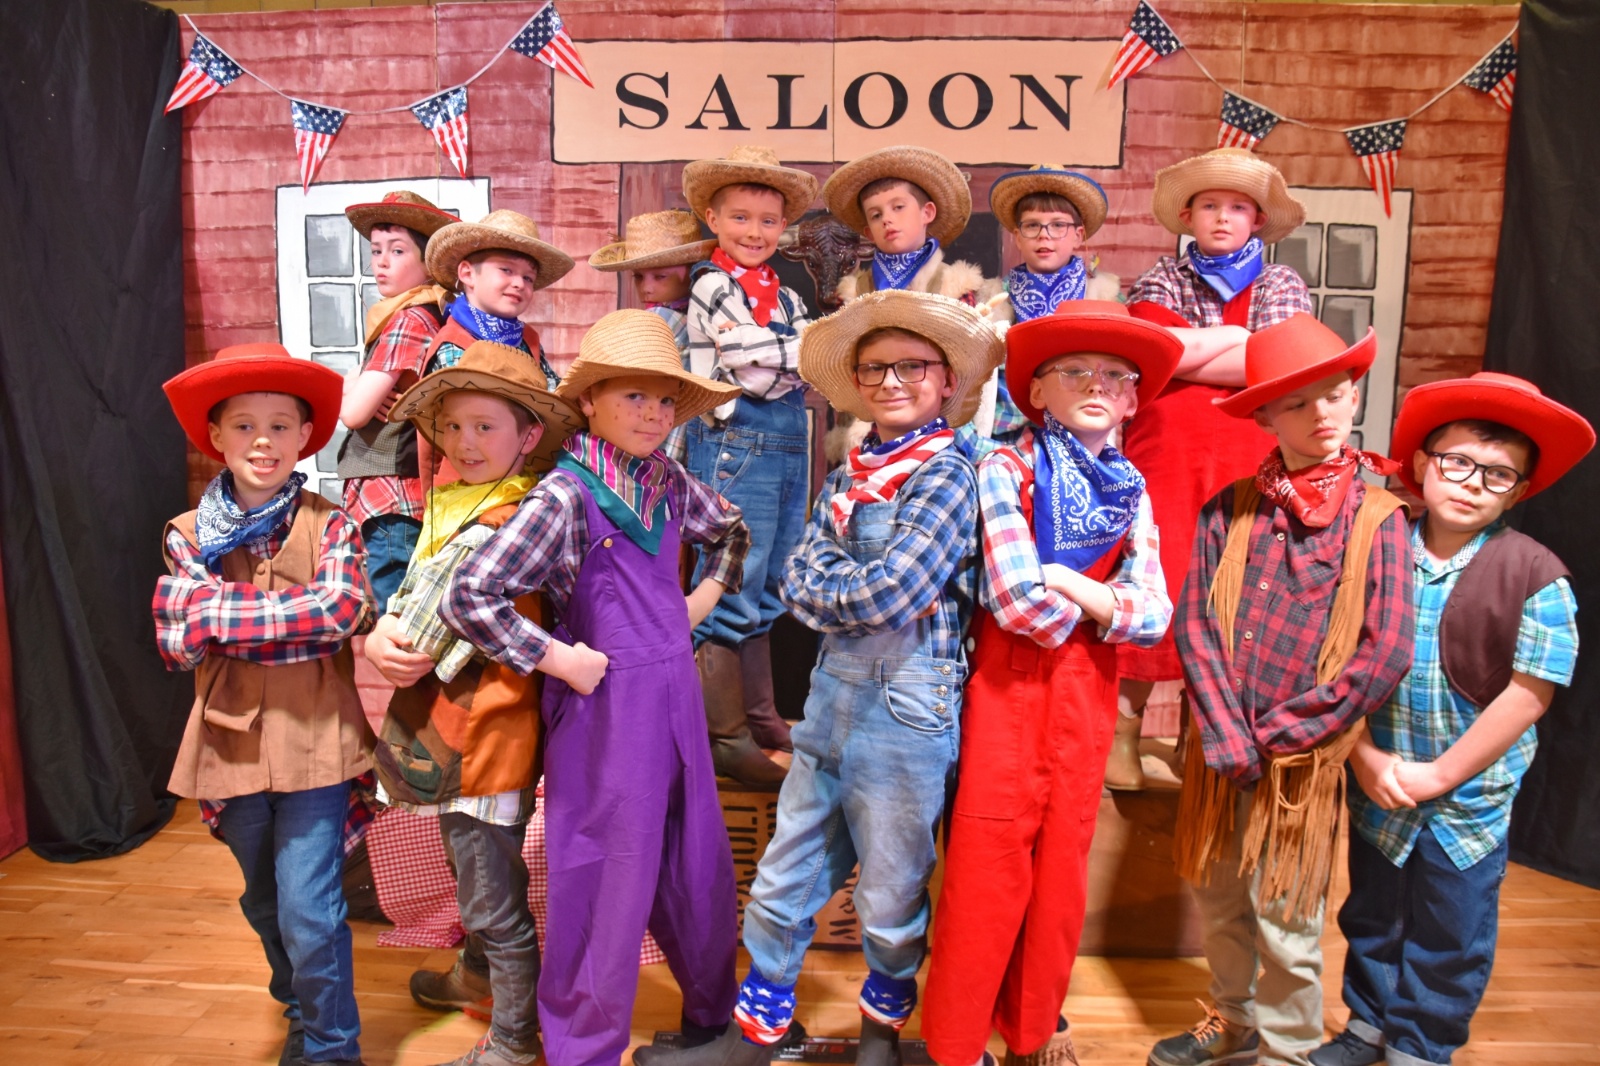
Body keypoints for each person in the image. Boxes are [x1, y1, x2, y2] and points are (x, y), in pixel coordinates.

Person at [632, 288, 998, 1066]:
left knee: (890, 893)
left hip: (909, 706)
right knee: (781, 880)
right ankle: (757, 1037)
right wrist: (837, 588)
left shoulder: (949, 475)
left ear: (945, 381)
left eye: (912, 366)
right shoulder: (848, 473)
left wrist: (831, 586)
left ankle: (878, 1041)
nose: (892, 381)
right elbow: (797, 580)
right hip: (832, 695)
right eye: (875, 368)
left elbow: (891, 594)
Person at [441, 310, 751, 1066]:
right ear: (588, 401)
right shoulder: (564, 497)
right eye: (633, 397)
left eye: (664, 400)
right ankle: (583, 1050)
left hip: (677, 702)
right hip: (607, 719)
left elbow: (730, 531)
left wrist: (696, 606)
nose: (653, 414)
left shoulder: (668, 481)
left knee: (696, 867)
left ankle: (712, 1022)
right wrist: (556, 659)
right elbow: (469, 595)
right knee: (603, 886)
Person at [1150, 314, 1415, 1066]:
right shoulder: (1229, 509)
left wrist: (1278, 736)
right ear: (1265, 415)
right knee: (1220, 898)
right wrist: (1226, 731)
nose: (1320, 414)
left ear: (1355, 397)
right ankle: (1234, 1020)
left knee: (1287, 921)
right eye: (1297, 403)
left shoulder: (1380, 520)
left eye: (1334, 395)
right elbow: (1195, 623)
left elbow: (1384, 651)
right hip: (1221, 755)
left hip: (1297, 765)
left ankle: (1288, 1050)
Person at [923, 301, 1180, 1066]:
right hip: (1009, 695)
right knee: (986, 873)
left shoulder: (1131, 487)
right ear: (1035, 390)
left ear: (1133, 400)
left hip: (1088, 697)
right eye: (1075, 372)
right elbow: (1017, 605)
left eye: (1115, 376)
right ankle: (957, 1047)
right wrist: (1106, 605)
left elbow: (1155, 614)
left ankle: (1032, 1032)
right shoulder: (1006, 467)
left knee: (1061, 875)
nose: (1097, 385)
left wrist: (1070, 582)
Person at [1310, 373, 1593, 1066]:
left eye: (1497, 475)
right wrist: (1364, 756)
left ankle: (1421, 1043)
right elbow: (1334, 656)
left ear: (1518, 491)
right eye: (1458, 462)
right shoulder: (1374, 549)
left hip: (1468, 797)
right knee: (1372, 912)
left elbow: (1529, 694)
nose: (1472, 484)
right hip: (1379, 782)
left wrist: (1440, 774)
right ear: (1422, 463)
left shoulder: (1536, 574)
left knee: (1451, 926)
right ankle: (1368, 1024)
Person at [153, 343, 375, 1066]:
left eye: (280, 426)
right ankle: (302, 1012)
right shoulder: (187, 535)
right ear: (215, 436)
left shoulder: (333, 522)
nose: (263, 441)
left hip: (319, 742)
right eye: (244, 425)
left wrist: (222, 614)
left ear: (304, 436)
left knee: (311, 911)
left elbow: (341, 612)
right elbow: (178, 640)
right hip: (230, 745)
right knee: (263, 902)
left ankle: (333, 1048)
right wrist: (290, 618)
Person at [363, 341, 584, 1066]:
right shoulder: (458, 501)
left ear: (528, 436)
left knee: (492, 897)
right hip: (455, 724)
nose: (464, 441)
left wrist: (384, 635)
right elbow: (408, 605)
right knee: (474, 875)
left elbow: (425, 631)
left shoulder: (511, 515)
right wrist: (385, 628)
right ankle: (477, 977)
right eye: (453, 426)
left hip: (485, 731)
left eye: (485, 426)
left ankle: (515, 1042)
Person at [1116, 148, 1313, 790]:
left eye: (1237, 207)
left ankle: (1200, 742)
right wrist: (1236, 345)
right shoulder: (1161, 276)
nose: (1222, 218)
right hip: (1164, 452)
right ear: (1187, 215)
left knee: (1234, 585)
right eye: (1209, 206)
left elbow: (1279, 367)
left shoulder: (1281, 283)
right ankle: (1123, 734)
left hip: (1249, 453)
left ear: (1257, 219)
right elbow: (1151, 355)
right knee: (1159, 572)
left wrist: (1200, 355)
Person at [680, 145, 821, 784]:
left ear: (783, 226)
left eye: (767, 221)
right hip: (735, 444)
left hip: (787, 446)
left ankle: (760, 716)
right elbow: (748, 368)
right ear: (713, 219)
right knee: (730, 582)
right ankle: (724, 735)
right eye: (740, 218)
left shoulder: (785, 294)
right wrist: (793, 354)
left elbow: (808, 361)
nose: (755, 232)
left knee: (770, 587)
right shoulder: (710, 283)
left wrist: (784, 355)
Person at [338, 190, 456, 610]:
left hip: (392, 496)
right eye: (376, 251)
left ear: (428, 263)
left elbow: (354, 413)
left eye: (398, 250)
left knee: (397, 615)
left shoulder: (409, 319)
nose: (382, 263)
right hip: (398, 495)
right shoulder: (426, 314)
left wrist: (351, 382)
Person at [977, 165, 1120, 449]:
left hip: (1082, 436)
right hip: (1006, 439)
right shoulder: (993, 301)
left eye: (1058, 225)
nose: (1044, 235)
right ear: (1017, 236)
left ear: (1078, 235)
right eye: (1032, 225)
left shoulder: (1104, 299)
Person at [590, 209, 717, 464]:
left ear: (692, 272)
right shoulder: (706, 316)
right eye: (638, 277)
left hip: (653, 442)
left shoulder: (661, 319)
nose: (646, 287)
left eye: (660, 276)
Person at [423, 209, 576, 387]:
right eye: (506, 270)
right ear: (467, 274)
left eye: (528, 278)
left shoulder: (526, 339)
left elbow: (552, 388)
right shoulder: (454, 344)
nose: (519, 283)